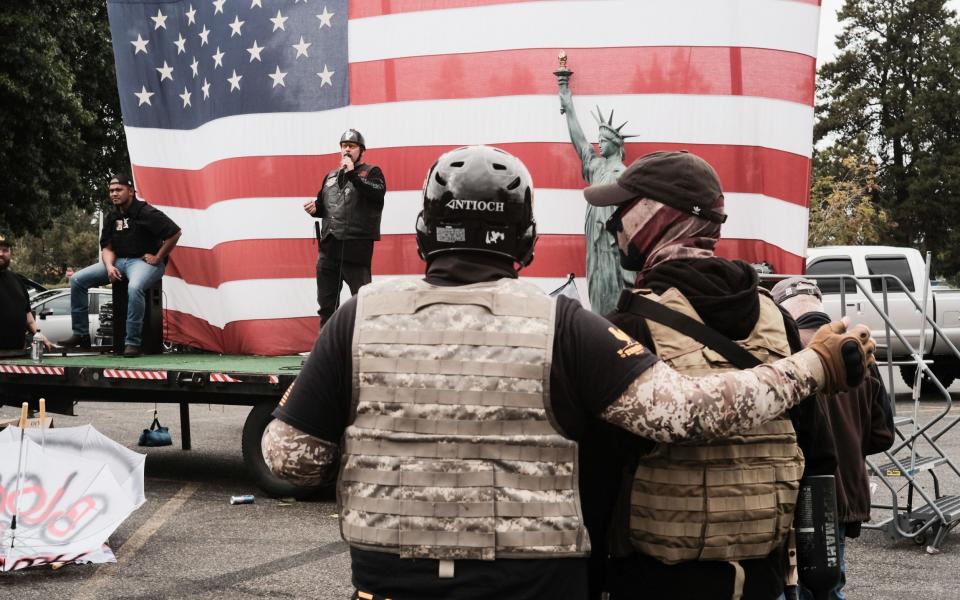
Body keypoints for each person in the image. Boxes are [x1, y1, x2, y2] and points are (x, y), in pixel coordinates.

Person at [262, 146, 873, 600]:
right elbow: (687, 413)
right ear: (525, 241)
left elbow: (290, 459)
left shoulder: (356, 321)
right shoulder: (568, 325)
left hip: (391, 585)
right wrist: (810, 367)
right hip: (537, 588)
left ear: (425, 230)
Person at [582, 150, 841, 600]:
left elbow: (599, 479)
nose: (614, 227)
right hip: (764, 582)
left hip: (653, 584)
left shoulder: (628, 326)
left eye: (623, 212)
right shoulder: (774, 318)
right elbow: (815, 452)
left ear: (655, 218)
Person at [772, 276, 895, 600]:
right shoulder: (856, 352)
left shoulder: (779, 352)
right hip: (838, 496)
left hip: (788, 496)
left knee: (785, 587)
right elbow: (883, 436)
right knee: (828, 586)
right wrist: (850, 442)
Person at [62, 174, 181, 357]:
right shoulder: (112, 216)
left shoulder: (146, 212)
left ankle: (132, 343)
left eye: (118, 190)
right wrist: (109, 266)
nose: (114, 194)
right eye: (111, 191)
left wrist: (158, 257)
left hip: (142, 263)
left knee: (134, 287)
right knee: (77, 280)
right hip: (118, 261)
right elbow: (107, 247)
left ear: (131, 191)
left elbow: (175, 233)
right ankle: (81, 335)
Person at [304, 129, 386, 328]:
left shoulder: (372, 172)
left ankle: (365, 349)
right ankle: (327, 354)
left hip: (355, 249)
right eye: (344, 146)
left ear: (361, 151)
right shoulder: (330, 177)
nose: (347, 149)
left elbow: (377, 194)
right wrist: (315, 209)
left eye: (352, 146)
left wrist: (352, 174)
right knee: (326, 305)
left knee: (363, 304)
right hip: (329, 249)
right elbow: (324, 206)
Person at [0, 234, 51, 353]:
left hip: (17, 353)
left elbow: (29, 319)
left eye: (5, 250)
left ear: (10, 253)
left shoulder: (17, 280)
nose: (1, 253)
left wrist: (40, 335)